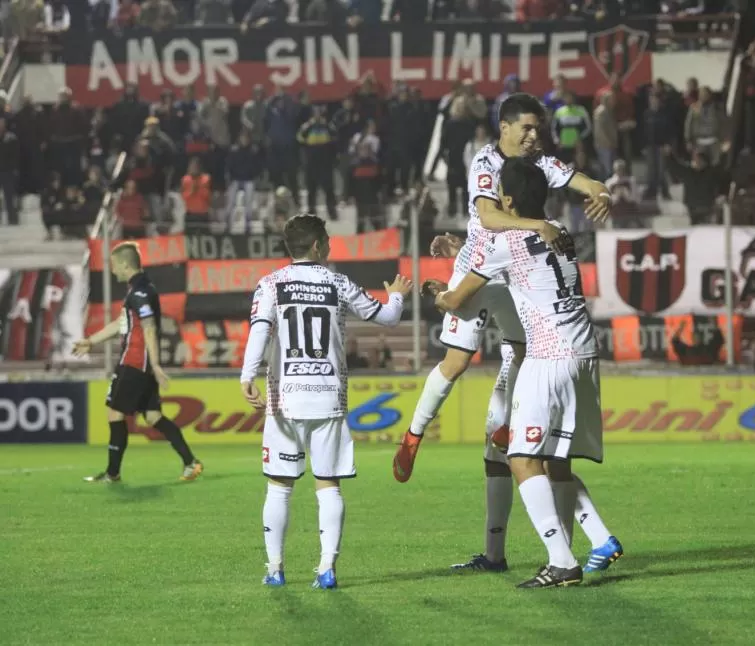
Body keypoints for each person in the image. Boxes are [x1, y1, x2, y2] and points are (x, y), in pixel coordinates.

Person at [392, 93, 613, 575]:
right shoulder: (487, 162)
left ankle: (545, 555)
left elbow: (588, 182)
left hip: (513, 273)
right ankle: (413, 435)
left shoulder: (539, 165)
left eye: (539, 128)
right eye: (527, 128)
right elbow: (490, 218)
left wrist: (603, 194)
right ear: (505, 127)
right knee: (457, 362)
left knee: (509, 435)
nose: (535, 137)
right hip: (485, 267)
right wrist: (536, 226)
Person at [429, 158, 619, 588]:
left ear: (508, 200)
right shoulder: (561, 233)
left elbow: (458, 301)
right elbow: (520, 264)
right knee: (557, 459)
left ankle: (561, 561)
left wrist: (438, 294)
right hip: (585, 353)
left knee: (520, 457)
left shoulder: (503, 244)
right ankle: (586, 545)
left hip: (547, 356)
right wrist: (463, 248)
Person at [240, 214, 412, 589]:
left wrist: (246, 375)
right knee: (328, 484)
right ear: (317, 246)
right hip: (328, 398)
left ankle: (275, 569)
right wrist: (397, 293)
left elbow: (259, 330)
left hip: (284, 400)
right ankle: (326, 569)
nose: (330, 246)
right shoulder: (337, 282)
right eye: (328, 240)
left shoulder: (270, 284)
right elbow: (388, 316)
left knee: (278, 486)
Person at [72, 243, 203, 483]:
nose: (112, 271)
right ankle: (190, 462)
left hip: (134, 363)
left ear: (124, 264)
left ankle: (112, 474)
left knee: (114, 413)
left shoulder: (140, 292)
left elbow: (149, 328)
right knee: (153, 416)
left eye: (113, 266)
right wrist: (90, 341)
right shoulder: (139, 290)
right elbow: (122, 325)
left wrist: (155, 364)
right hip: (143, 364)